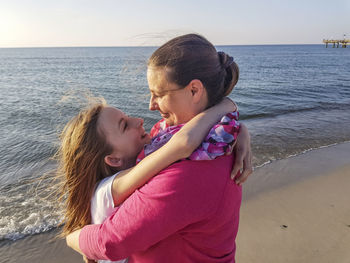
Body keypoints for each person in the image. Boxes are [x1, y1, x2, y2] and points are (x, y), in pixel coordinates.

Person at [66, 33, 253, 262]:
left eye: (158, 95)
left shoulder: (190, 172)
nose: (150, 106)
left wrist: (70, 237)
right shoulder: (208, 138)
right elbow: (181, 139)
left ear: (194, 90)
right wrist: (231, 115)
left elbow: (110, 242)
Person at [58, 97, 239, 263]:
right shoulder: (107, 189)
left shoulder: (148, 150)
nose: (138, 120)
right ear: (113, 160)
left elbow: (174, 129)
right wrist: (226, 107)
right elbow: (181, 144)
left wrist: (240, 133)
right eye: (124, 125)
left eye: (128, 117)